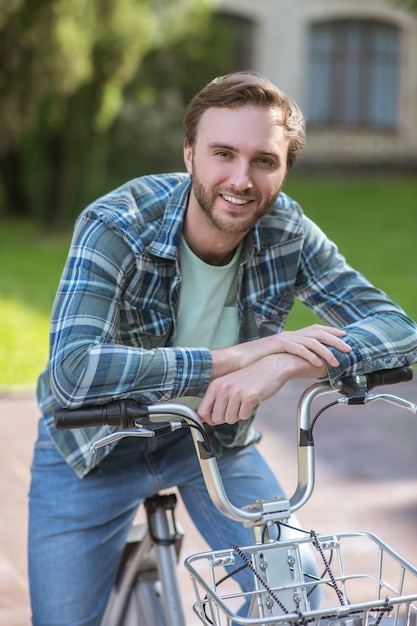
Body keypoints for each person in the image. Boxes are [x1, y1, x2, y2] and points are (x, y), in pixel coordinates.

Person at [28, 71, 417, 625]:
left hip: (213, 438)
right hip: (94, 443)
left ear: (284, 170)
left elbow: (397, 327)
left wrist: (281, 363)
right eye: (223, 154)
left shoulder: (286, 230)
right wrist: (238, 358)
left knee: (293, 584)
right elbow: (73, 369)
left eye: (264, 160)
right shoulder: (117, 222)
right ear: (189, 155)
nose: (241, 179)